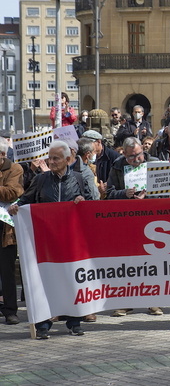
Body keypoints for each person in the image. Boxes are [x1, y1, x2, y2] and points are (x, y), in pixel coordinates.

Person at [8, 141, 93, 339]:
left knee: (72, 280)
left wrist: (83, 202)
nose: (51, 162)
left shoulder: (79, 179)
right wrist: (15, 207)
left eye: (56, 158)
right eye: (50, 158)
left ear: (68, 160)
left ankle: (74, 322)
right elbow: (24, 201)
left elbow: (91, 205)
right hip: (46, 241)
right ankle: (43, 324)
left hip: (71, 241)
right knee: (45, 281)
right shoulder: (40, 179)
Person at [106, 137, 163, 316]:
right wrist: (124, 193)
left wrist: (149, 195)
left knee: (152, 262)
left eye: (138, 155)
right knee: (127, 262)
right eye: (131, 157)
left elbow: (166, 193)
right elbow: (109, 193)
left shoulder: (155, 163)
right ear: (124, 154)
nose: (136, 160)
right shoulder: (117, 166)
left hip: (151, 220)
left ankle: (153, 301)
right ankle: (125, 302)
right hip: (127, 220)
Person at [0, 138, 24, 326]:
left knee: (7, 270)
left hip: (5, 229)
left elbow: (12, 192)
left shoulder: (15, 169)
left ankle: (10, 310)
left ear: (2, 155)